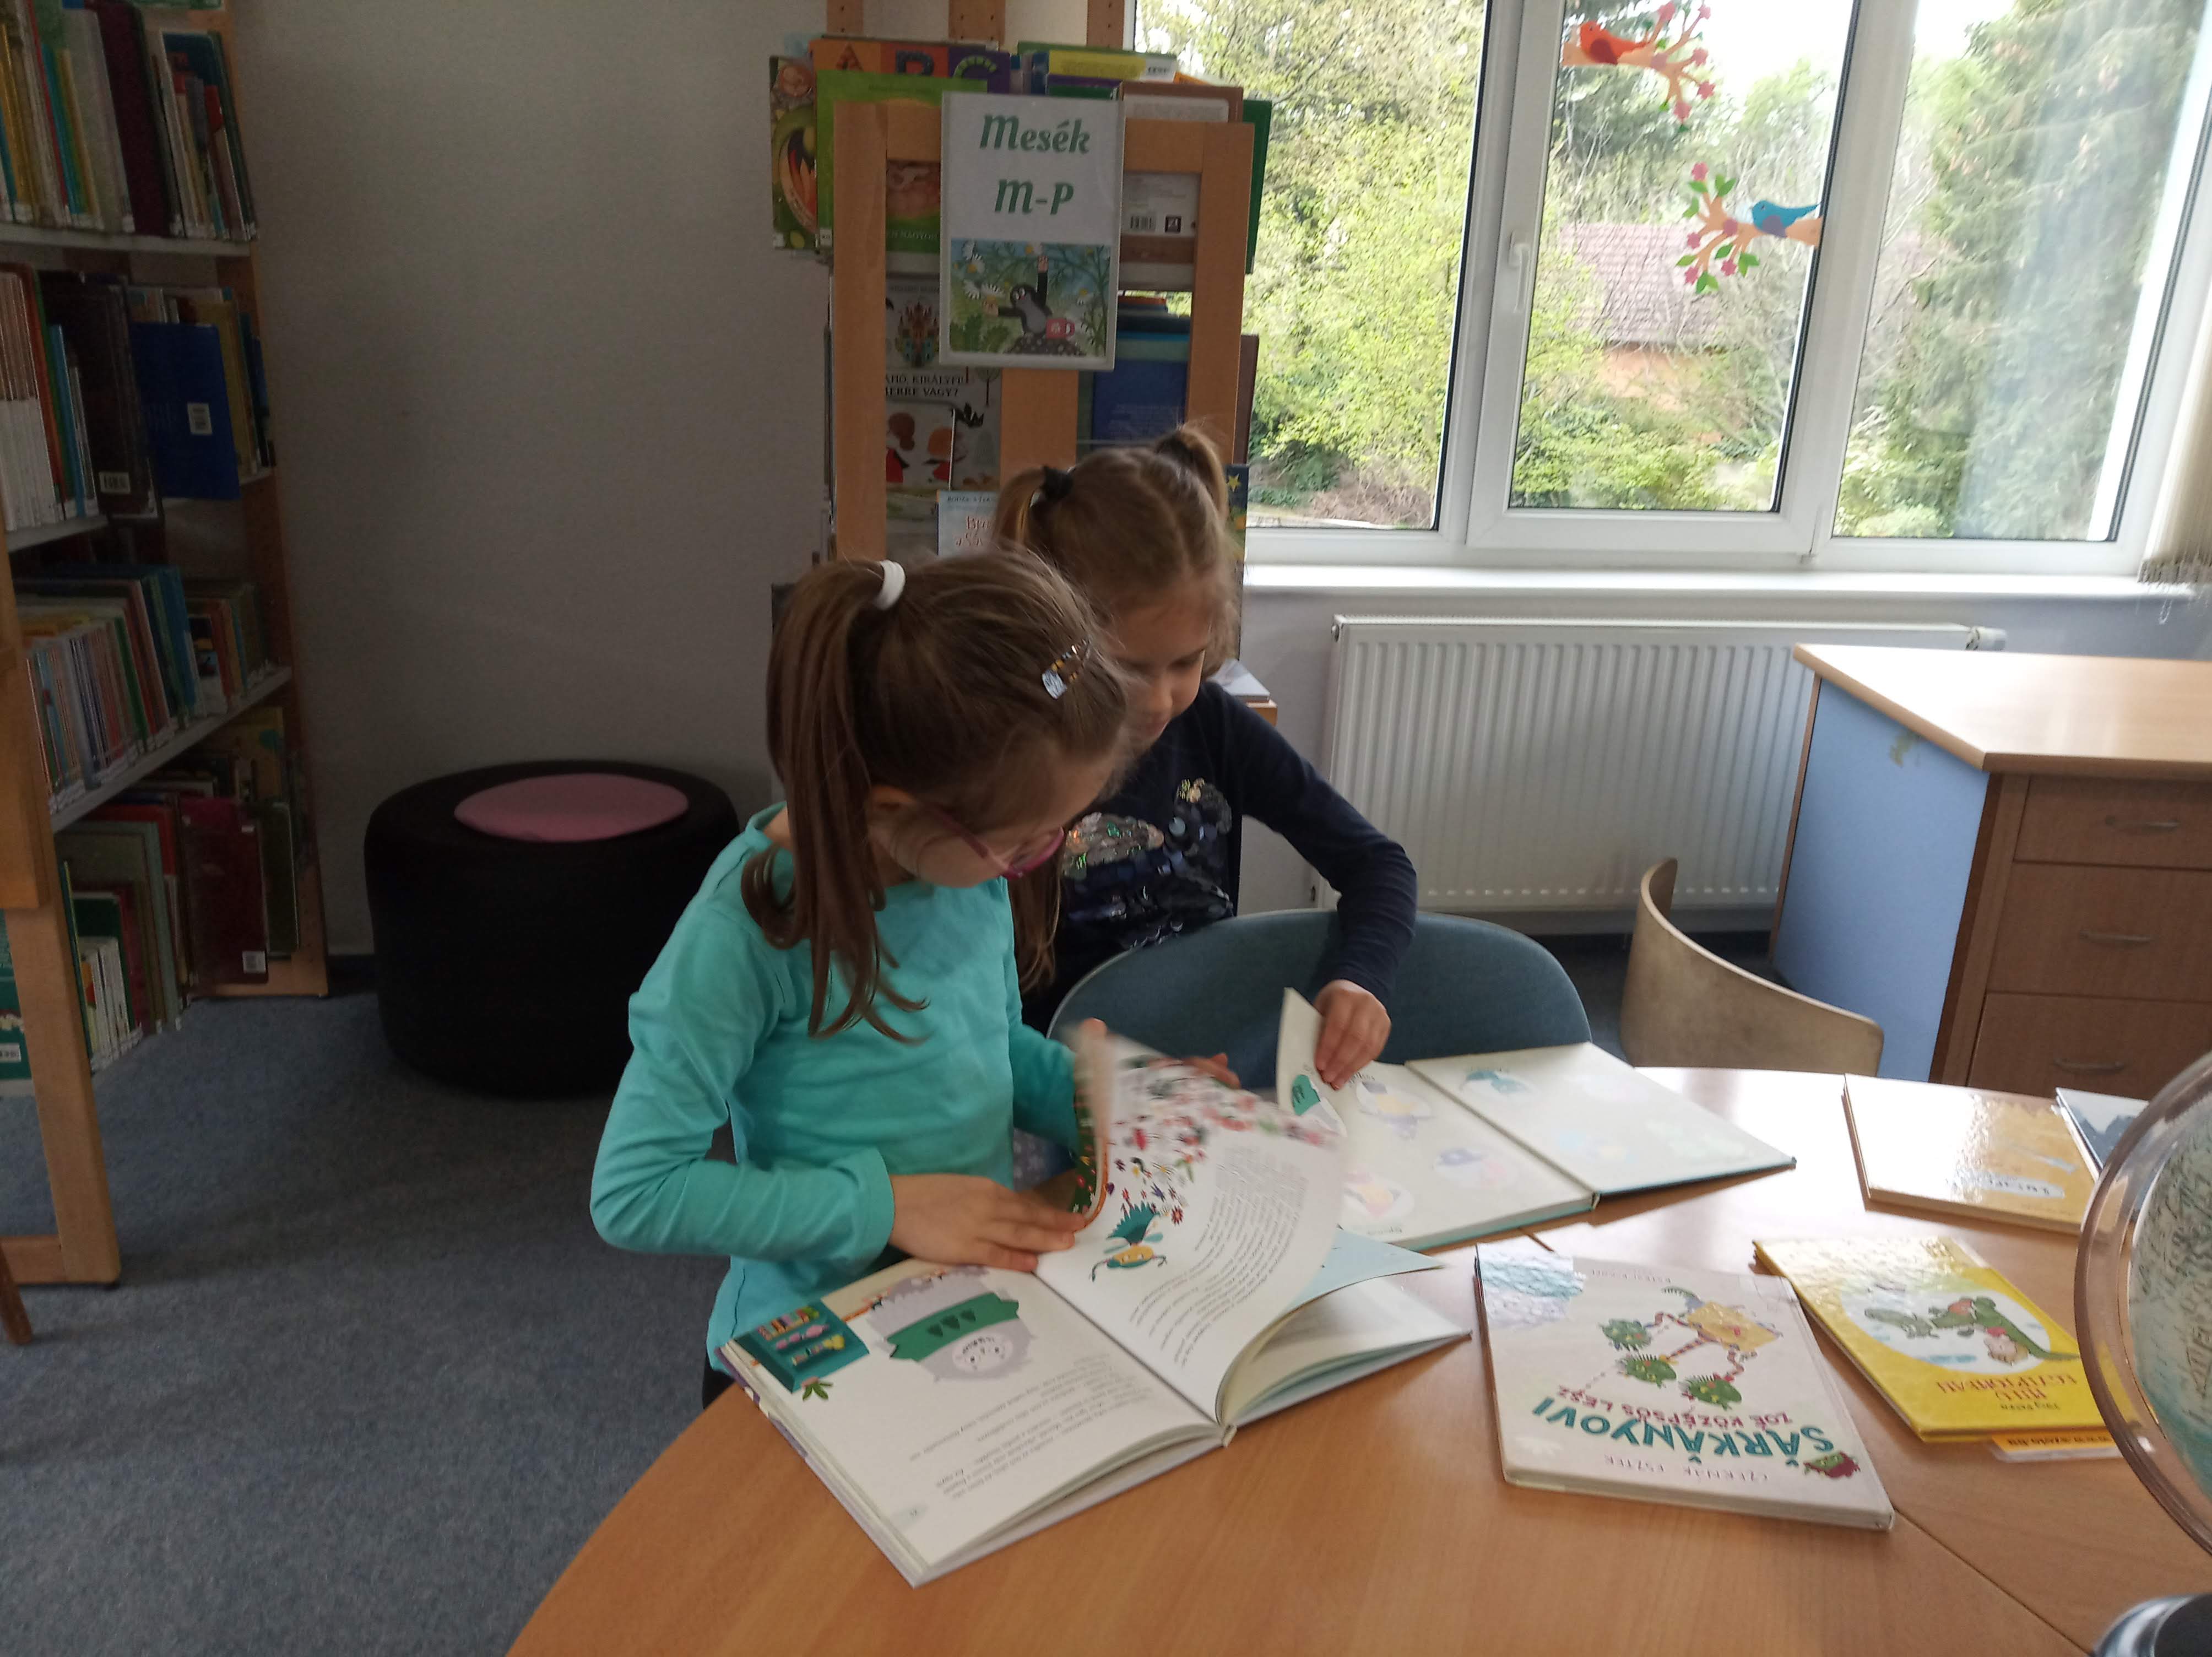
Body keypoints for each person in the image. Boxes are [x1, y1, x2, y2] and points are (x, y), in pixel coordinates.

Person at [590, 553, 1131, 1410]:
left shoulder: (962, 873)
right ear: (890, 811)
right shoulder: (742, 934)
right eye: (1021, 841)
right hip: (804, 1353)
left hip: (958, 1308)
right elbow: (636, 1193)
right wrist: (888, 1208)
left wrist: (1102, 1103)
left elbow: (987, 1052)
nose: (1039, 859)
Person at [996, 426, 1418, 1089]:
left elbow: (1378, 864)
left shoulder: (1213, 726)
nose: (1160, 700)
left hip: (1212, 1081)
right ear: (1058, 640)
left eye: (1186, 662)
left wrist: (1359, 977)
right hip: (1059, 1092)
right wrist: (1110, 1084)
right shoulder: (1007, 753)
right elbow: (974, 1012)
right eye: (1127, 668)